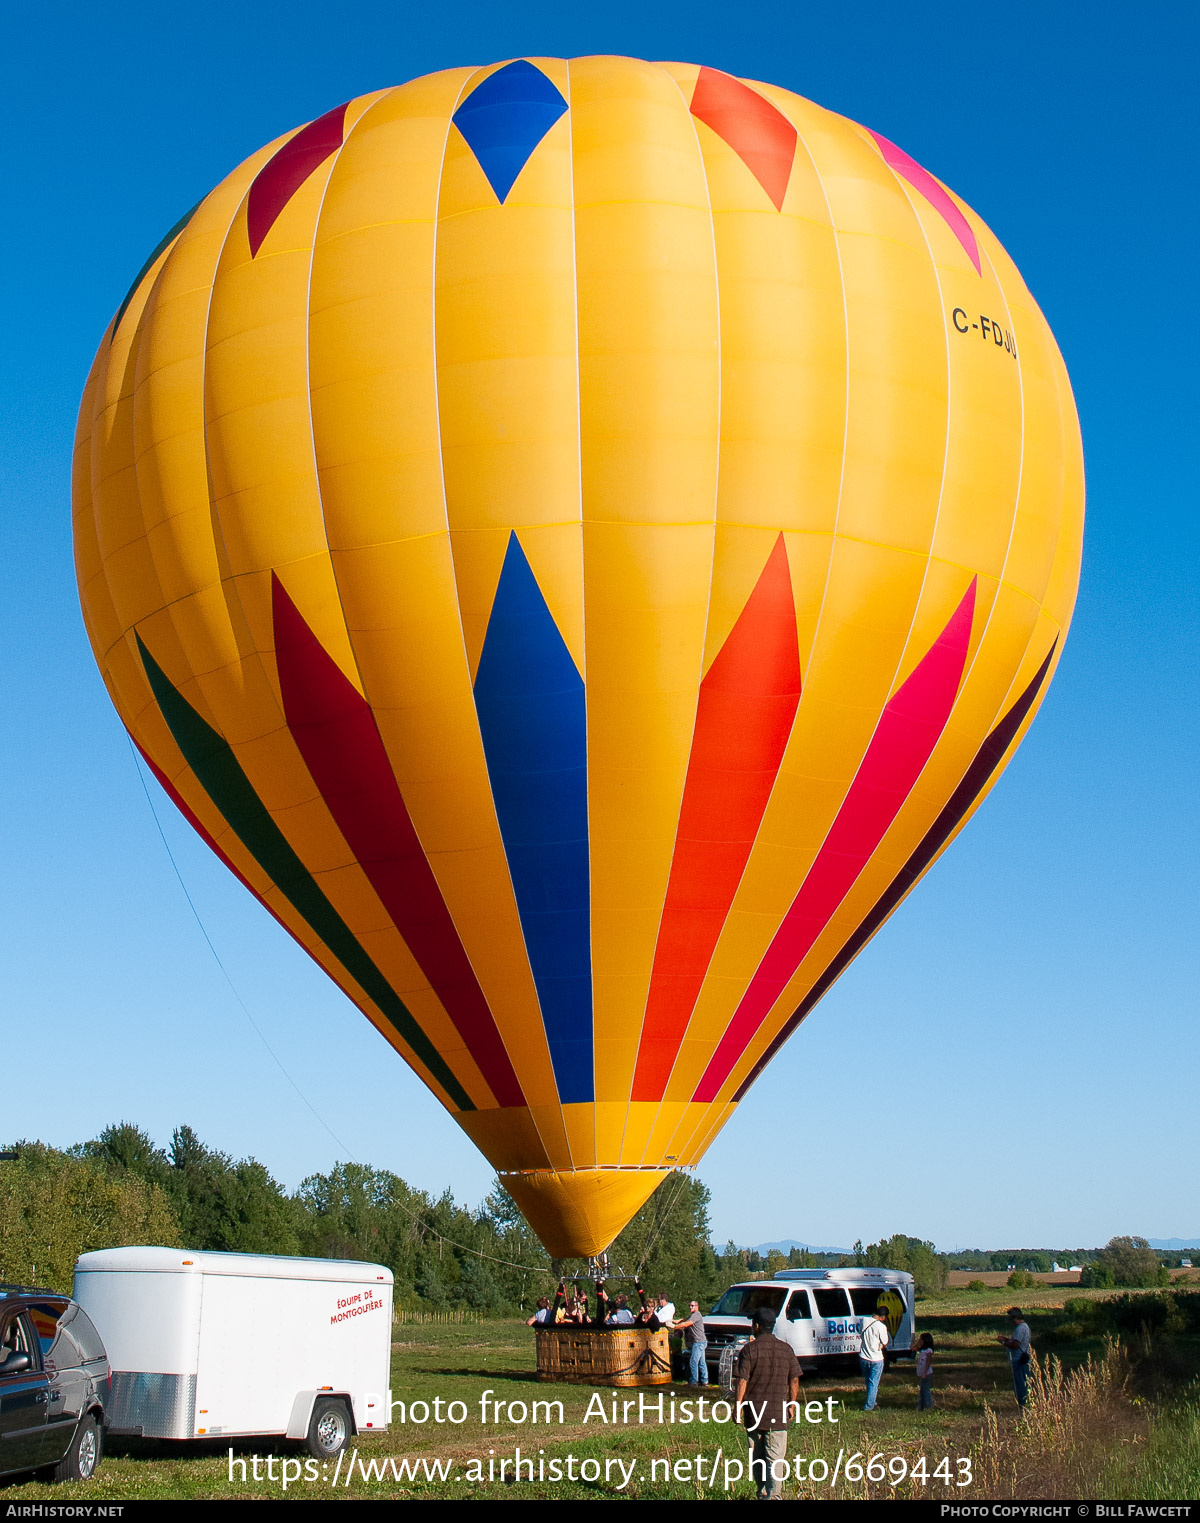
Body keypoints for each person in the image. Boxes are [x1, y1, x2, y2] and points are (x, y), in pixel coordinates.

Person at [735, 1308, 801, 1501]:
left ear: (756, 1326)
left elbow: (742, 1380)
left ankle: (763, 1493)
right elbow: (794, 1379)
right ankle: (774, 1495)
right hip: (778, 1413)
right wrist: (792, 1403)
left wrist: (737, 1406)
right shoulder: (786, 1349)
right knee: (775, 1458)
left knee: (757, 1458)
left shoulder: (749, 1350)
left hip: (754, 1413)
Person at [997, 1307, 1032, 1408]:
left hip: (1019, 1359)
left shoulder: (1020, 1328)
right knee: (1025, 1381)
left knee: (1020, 1383)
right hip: (1022, 1358)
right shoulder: (1025, 1327)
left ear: (1015, 1318)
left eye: (1011, 1319)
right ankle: (1026, 1402)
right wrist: (1007, 1339)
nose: (1010, 1321)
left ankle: (1023, 1404)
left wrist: (1003, 1342)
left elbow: (1016, 1345)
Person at [858, 1304, 890, 1411]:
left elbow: (859, 1333)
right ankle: (869, 1406)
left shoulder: (864, 1321)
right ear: (883, 1317)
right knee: (874, 1382)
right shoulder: (881, 1326)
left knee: (868, 1381)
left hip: (863, 1356)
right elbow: (885, 1342)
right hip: (876, 1358)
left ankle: (872, 1401)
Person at [674, 1300, 709, 1386]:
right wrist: (675, 1321)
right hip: (701, 1342)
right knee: (701, 1363)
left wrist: (674, 1326)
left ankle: (694, 1381)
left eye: (692, 1306)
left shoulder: (696, 1315)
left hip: (698, 1342)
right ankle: (704, 1380)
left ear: (697, 1306)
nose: (690, 1307)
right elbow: (684, 1320)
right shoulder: (693, 1315)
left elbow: (687, 1324)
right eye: (689, 1305)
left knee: (693, 1362)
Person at [914, 1332, 935, 1410]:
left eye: (921, 1339)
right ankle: (921, 1405)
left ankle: (929, 1405)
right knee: (922, 1390)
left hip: (926, 1373)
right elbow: (912, 1348)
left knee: (925, 1389)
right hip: (922, 1372)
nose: (920, 1340)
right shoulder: (922, 1349)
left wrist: (925, 1372)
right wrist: (917, 1343)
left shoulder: (928, 1351)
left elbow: (928, 1362)